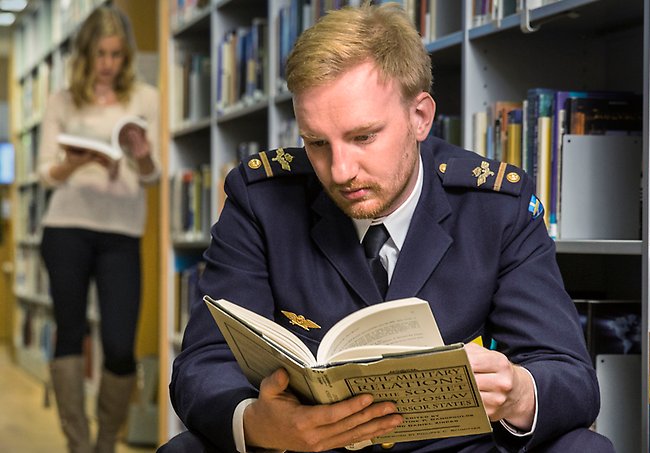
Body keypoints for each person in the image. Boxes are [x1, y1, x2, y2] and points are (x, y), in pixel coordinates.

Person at [162, 2, 613, 452]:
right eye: (316, 143)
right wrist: (258, 424)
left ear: (420, 116)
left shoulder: (494, 206)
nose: (339, 171)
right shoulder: (262, 200)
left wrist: (518, 390)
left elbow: (571, 375)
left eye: (363, 137)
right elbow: (204, 362)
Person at [37, 5, 160, 453]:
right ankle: (77, 443)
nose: (108, 63)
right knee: (70, 332)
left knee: (120, 344)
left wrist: (141, 152)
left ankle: (106, 442)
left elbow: (151, 175)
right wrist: (73, 162)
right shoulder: (62, 100)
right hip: (66, 225)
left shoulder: (146, 98)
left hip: (121, 231)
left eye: (116, 54)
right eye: (100, 54)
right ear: (85, 54)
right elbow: (45, 173)